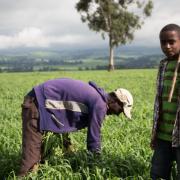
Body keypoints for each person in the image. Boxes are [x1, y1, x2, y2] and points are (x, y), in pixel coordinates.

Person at [18, 78, 133, 176]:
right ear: (116, 101)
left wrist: (67, 145)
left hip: (41, 103)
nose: (118, 114)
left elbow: (64, 116)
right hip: (37, 103)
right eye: (121, 110)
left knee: (44, 155)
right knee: (31, 160)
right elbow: (94, 137)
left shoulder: (96, 97)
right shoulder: (100, 104)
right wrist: (96, 164)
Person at [150, 24, 180, 180]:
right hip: (163, 134)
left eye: (172, 42)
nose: (167, 46)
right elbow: (159, 101)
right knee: (158, 174)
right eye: (163, 42)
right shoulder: (163, 65)